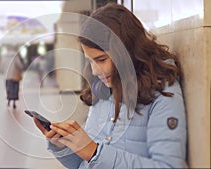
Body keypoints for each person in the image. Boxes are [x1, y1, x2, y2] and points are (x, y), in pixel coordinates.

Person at [33, 3, 187, 169]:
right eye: (90, 61)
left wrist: (93, 151)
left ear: (127, 53)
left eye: (101, 60)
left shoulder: (164, 95)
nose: (95, 70)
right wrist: (63, 145)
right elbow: (84, 163)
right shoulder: (104, 90)